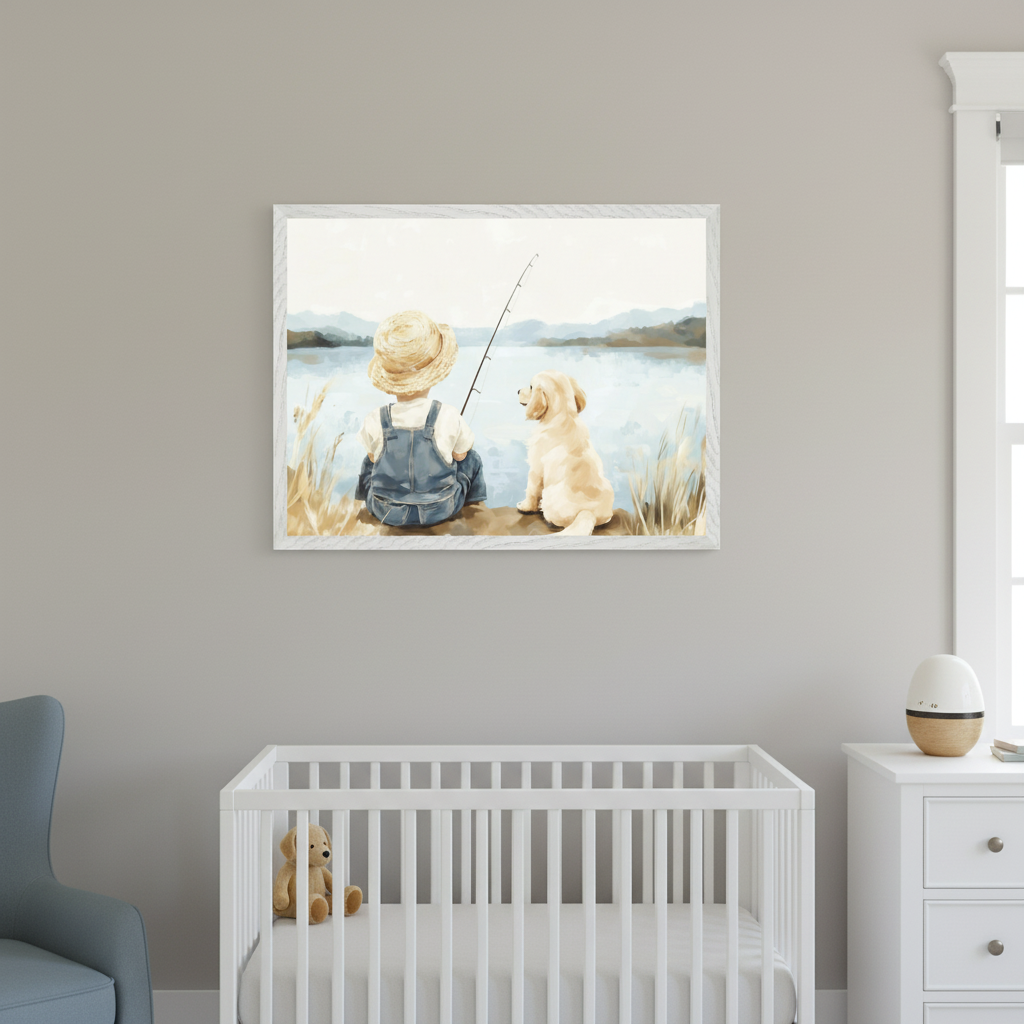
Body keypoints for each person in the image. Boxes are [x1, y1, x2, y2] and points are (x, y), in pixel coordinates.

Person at [355, 310, 486, 527]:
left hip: (386, 511)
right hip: (440, 509)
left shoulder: (375, 418)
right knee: (472, 458)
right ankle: (476, 509)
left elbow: (372, 456)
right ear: (431, 377)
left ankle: (361, 507)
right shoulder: (448, 414)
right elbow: (461, 455)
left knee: (369, 461)